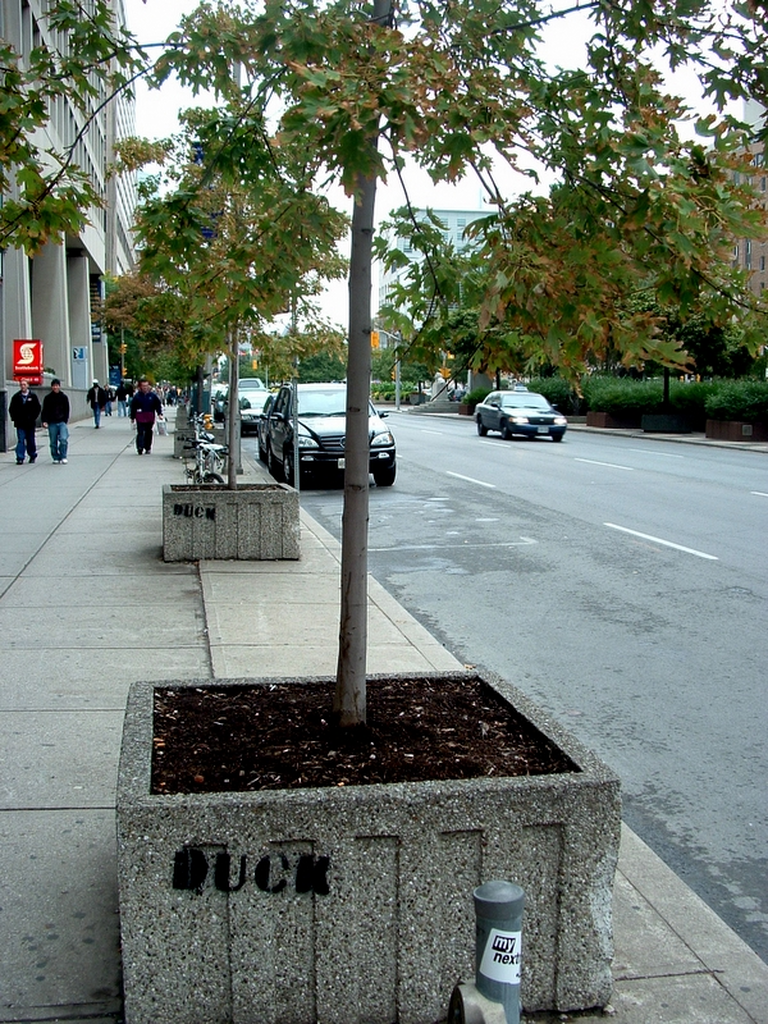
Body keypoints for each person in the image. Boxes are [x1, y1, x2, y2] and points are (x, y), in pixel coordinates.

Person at [9, 380, 42, 464]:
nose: (23, 386)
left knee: (30, 440)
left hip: (30, 423)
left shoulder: (33, 396)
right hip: (20, 423)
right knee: (21, 440)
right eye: (21, 385)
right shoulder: (16, 397)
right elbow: (11, 409)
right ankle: (20, 457)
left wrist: (33, 417)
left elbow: (37, 408)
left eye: (24, 384)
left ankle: (32, 454)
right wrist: (15, 418)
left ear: (27, 385)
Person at [129, 377, 164, 454]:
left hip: (149, 416)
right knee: (140, 432)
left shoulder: (152, 396)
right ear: (140, 387)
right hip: (140, 416)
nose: (145, 387)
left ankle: (147, 447)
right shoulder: (137, 396)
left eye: (146, 386)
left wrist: (159, 414)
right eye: (143, 386)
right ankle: (140, 447)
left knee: (148, 432)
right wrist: (132, 417)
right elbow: (133, 407)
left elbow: (157, 405)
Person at [41, 378, 70, 464]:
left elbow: (67, 409)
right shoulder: (48, 398)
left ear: (59, 386)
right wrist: (44, 421)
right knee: (53, 442)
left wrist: (65, 420)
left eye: (57, 386)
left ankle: (63, 455)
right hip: (52, 422)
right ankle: (55, 456)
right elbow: (45, 410)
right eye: (54, 386)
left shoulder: (64, 397)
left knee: (63, 439)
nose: (55, 387)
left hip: (61, 422)